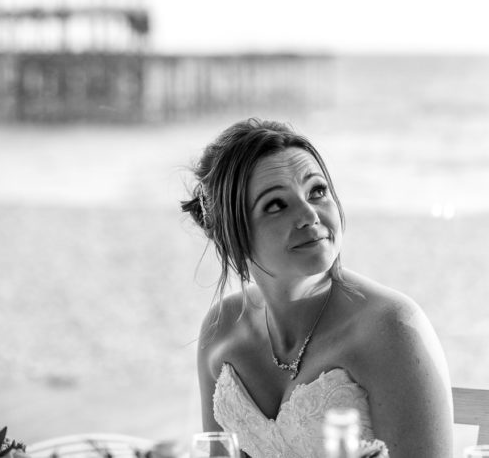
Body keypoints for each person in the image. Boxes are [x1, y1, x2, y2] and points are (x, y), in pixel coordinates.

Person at [182, 118, 454, 458]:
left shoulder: (392, 329)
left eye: (317, 191)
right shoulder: (220, 330)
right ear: (233, 234)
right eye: (276, 204)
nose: (309, 215)